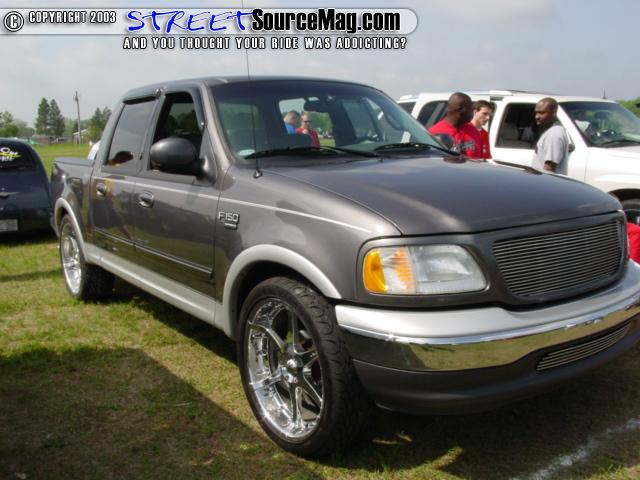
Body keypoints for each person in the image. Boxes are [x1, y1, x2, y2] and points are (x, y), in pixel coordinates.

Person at [428, 92, 482, 158]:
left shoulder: (474, 131)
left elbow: (480, 159)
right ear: (461, 109)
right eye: (471, 108)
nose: (473, 112)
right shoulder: (434, 134)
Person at [532, 97, 569, 174]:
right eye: (536, 113)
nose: (537, 116)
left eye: (541, 113)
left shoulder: (555, 134)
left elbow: (549, 170)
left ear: (553, 113)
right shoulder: (551, 131)